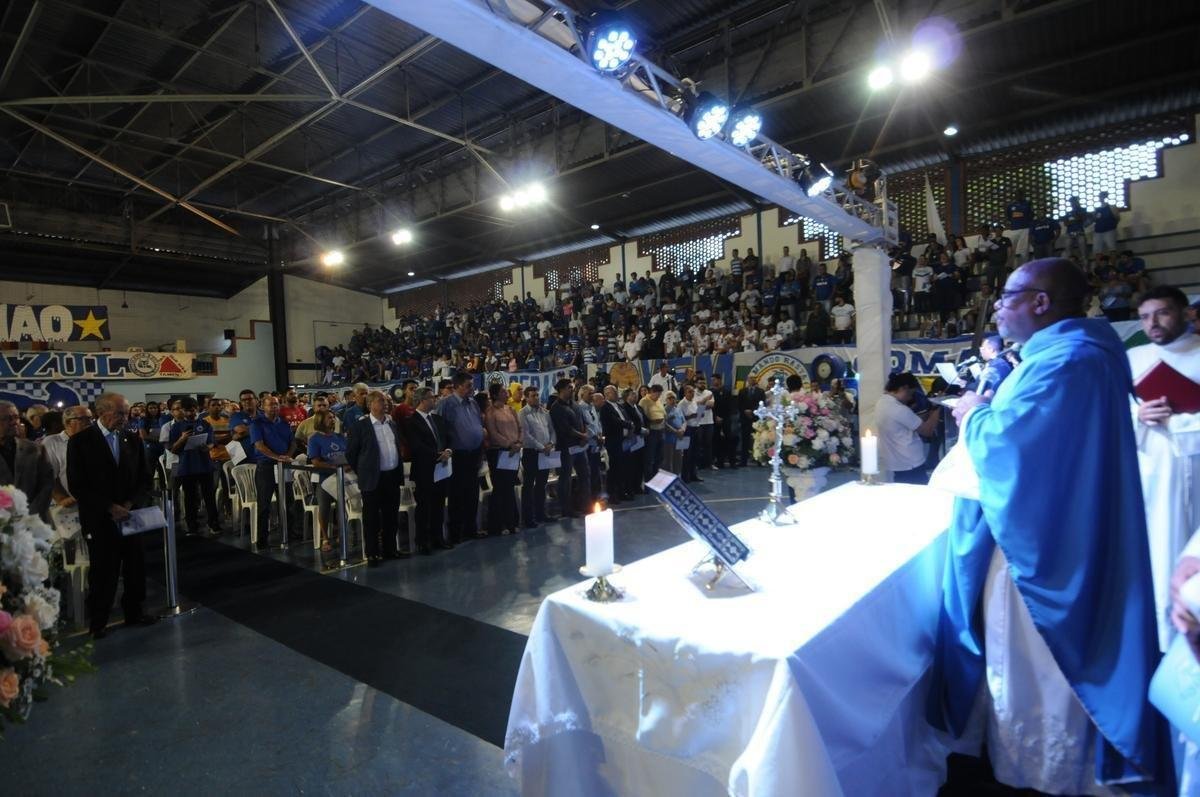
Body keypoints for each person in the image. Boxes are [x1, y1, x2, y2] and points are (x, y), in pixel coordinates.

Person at [930, 258, 1168, 793]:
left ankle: (1044, 772)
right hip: (1063, 525)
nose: (997, 305)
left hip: (1044, 544)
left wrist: (974, 413)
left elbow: (1014, 446)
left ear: (1041, 302)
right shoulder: (1076, 352)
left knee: (1036, 661)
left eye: (1008, 295)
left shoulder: (1068, 359)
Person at [1128, 285, 1200, 652]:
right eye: (1144, 316)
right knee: (1151, 551)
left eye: (1162, 313)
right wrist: (1137, 414)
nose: (1152, 323)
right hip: (1147, 467)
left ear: (1186, 314)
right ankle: (1155, 640)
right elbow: (1118, 408)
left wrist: (1177, 423)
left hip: (1192, 467)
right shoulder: (1135, 357)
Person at [66, 393, 155, 639]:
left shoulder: (132, 439)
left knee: (135, 566)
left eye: (126, 413)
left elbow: (144, 478)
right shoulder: (80, 442)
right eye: (120, 413)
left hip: (130, 514)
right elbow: (77, 484)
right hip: (99, 517)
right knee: (103, 570)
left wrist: (129, 503)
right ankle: (99, 622)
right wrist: (109, 506)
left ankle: (135, 611)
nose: (125, 418)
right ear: (102, 412)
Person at [346, 390, 406, 565]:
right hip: (372, 478)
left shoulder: (391, 423)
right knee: (371, 517)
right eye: (381, 400)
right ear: (370, 404)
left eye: (387, 400)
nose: (386, 403)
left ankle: (390, 549)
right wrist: (363, 470)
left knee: (391, 515)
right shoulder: (360, 426)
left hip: (392, 476)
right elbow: (351, 453)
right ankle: (372, 553)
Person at [435, 373, 485, 543]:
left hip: (474, 454)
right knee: (457, 495)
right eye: (468, 385)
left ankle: (471, 528)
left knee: (472, 493)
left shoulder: (473, 402)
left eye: (472, 385)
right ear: (457, 386)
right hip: (457, 455)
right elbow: (439, 429)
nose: (471, 389)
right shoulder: (445, 404)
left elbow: (478, 424)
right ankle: (455, 533)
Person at [405, 388, 452, 554]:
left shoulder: (437, 419)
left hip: (441, 469)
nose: (435, 400)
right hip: (425, 470)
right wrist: (437, 455)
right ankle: (422, 541)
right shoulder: (411, 421)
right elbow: (416, 446)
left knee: (439, 505)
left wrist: (448, 451)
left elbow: (448, 438)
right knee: (424, 507)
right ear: (422, 400)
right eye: (432, 397)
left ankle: (438, 537)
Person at [169, 397, 221, 538]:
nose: (190, 413)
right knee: (190, 498)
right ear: (183, 411)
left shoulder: (204, 424)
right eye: (187, 411)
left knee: (209, 497)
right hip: (186, 467)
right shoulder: (176, 427)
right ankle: (192, 526)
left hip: (205, 465)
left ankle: (213, 523)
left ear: (196, 409)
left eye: (193, 410)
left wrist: (207, 447)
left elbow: (211, 442)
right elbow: (173, 449)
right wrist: (182, 439)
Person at [873, 373, 939, 484]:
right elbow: (927, 431)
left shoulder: (882, 402)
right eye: (911, 394)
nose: (910, 398)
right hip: (910, 463)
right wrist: (937, 407)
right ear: (904, 388)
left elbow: (909, 421)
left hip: (899, 461)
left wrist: (928, 412)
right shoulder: (898, 409)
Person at [249, 395, 294, 550]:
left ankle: (289, 533)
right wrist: (277, 457)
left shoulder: (284, 422)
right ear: (263, 407)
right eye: (270, 405)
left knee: (288, 501)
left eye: (276, 404)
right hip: (266, 466)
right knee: (264, 504)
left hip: (284, 465)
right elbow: (259, 446)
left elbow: (292, 442)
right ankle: (262, 539)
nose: (274, 407)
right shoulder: (256, 423)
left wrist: (287, 455)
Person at [0, 400, 53, 519]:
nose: (14, 422)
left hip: (34, 524)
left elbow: (46, 485)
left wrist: (28, 516)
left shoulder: (35, 449)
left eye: (16, 417)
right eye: (7, 418)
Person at [305, 409, 348, 553]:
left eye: (333, 417)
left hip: (343, 477)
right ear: (321, 420)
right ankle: (325, 538)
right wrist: (332, 466)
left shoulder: (339, 436)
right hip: (325, 479)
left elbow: (347, 454)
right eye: (329, 418)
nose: (333, 420)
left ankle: (343, 534)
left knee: (344, 507)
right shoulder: (314, 438)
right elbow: (315, 461)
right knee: (324, 508)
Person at [483, 382, 522, 535]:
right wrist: (508, 444)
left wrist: (519, 442)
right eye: (504, 391)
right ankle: (497, 525)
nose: (507, 393)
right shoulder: (490, 412)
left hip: (514, 451)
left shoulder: (510, 409)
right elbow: (493, 433)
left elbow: (520, 428)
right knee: (500, 488)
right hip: (499, 453)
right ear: (495, 395)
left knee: (510, 486)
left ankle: (512, 522)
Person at [518, 387, 555, 526]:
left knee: (541, 485)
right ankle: (529, 518)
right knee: (528, 486)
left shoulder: (545, 412)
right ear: (526, 398)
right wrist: (541, 447)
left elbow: (552, 430)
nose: (536, 398)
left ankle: (541, 514)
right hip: (531, 453)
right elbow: (526, 435)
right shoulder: (523, 413)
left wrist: (551, 443)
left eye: (537, 395)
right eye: (533, 396)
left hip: (545, 453)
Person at [599, 385, 633, 500]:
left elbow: (626, 417)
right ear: (607, 394)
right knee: (614, 469)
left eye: (615, 391)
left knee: (623, 467)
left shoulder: (619, 405)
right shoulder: (605, 408)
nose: (616, 393)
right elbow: (616, 421)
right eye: (614, 392)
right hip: (613, 442)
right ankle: (612, 495)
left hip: (624, 440)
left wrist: (629, 427)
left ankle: (622, 492)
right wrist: (629, 425)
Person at [638, 384, 666, 479]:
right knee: (649, 457)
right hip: (651, 432)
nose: (659, 396)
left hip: (660, 431)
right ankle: (648, 480)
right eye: (657, 394)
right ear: (652, 392)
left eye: (660, 394)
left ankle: (656, 476)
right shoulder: (644, 401)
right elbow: (641, 418)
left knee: (660, 456)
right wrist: (652, 421)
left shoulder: (658, 401)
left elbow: (663, 413)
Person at [975, 334, 1013, 399]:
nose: (981, 351)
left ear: (991, 349)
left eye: (983, 348)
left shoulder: (994, 367)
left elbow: (982, 393)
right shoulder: (1004, 362)